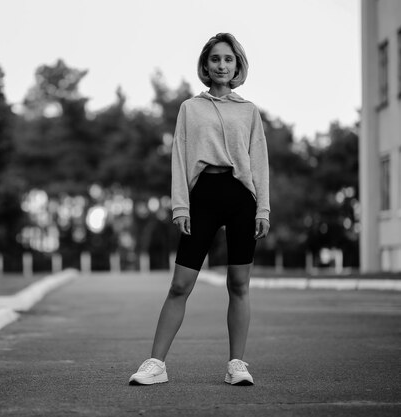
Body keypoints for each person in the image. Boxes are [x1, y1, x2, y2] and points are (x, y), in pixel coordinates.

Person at [129, 33, 270, 386]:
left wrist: (262, 209)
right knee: (180, 284)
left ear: (237, 65)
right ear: (205, 66)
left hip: (241, 197)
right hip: (203, 195)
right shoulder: (190, 108)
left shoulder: (249, 111)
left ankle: (237, 364)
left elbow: (259, 163)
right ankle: (155, 364)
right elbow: (179, 156)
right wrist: (181, 205)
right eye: (215, 59)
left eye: (228, 59)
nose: (222, 65)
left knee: (239, 284)